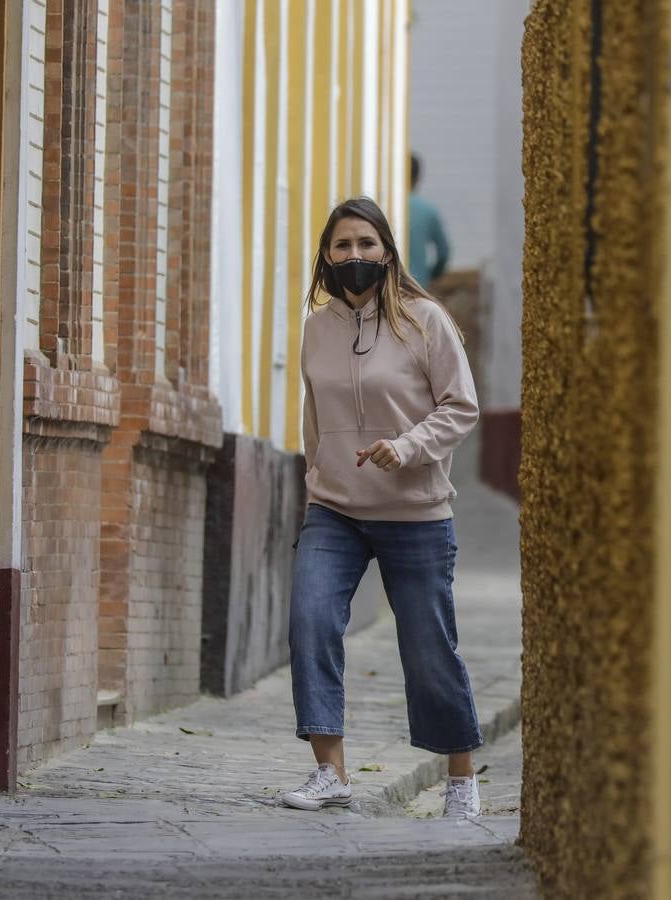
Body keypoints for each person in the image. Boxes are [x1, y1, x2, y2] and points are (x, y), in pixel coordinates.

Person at [280, 196, 483, 820]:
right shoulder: (318, 327)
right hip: (334, 509)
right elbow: (315, 415)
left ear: (388, 253)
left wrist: (408, 447)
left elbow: (461, 406)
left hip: (416, 513)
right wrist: (318, 474)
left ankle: (460, 776)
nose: (354, 256)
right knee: (310, 619)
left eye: (366, 244)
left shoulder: (426, 321)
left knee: (428, 646)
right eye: (342, 246)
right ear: (326, 255)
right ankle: (329, 771)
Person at [407, 154, 451, 287]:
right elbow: (443, 252)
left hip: (386, 287)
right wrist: (430, 274)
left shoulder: (381, 208)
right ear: (418, 177)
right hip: (418, 285)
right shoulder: (428, 210)